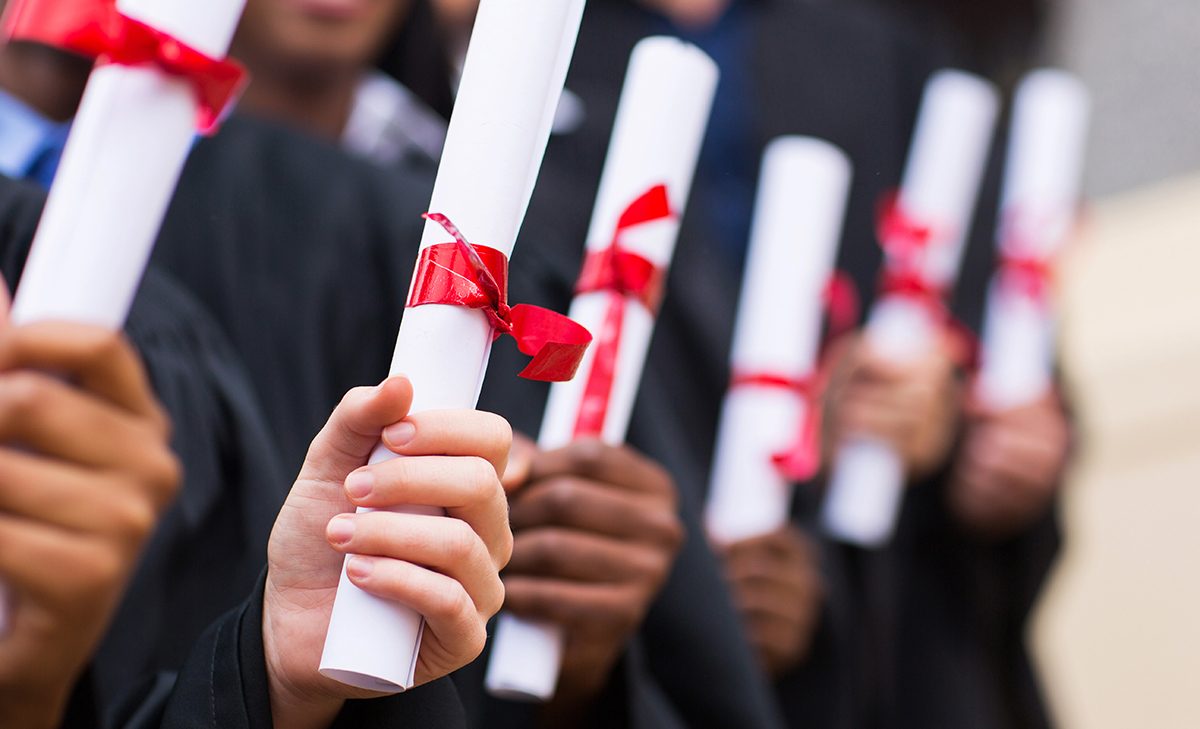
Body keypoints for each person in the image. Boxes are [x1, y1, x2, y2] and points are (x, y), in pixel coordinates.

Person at [468, 0, 1071, 727]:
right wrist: (689, 589)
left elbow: (986, 324)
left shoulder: (873, 45)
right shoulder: (531, 46)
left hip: (905, 633)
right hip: (652, 621)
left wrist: (976, 428)